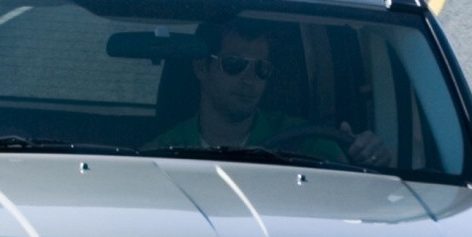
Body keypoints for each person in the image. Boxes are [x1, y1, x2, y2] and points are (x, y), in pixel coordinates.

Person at [150, 17, 389, 166]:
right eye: (234, 64)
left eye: (261, 69)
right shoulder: (159, 153)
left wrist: (369, 157)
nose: (249, 79)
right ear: (202, 67)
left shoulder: (307, 143)